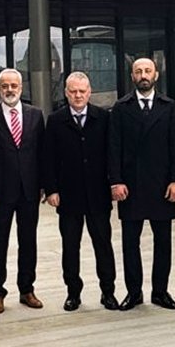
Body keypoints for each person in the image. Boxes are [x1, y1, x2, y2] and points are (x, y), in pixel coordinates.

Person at [108, 57, 175, 311]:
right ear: (132, 76)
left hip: (162, 186)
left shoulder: (169, 107)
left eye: (147, 71)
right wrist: (116, 181)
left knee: (163, 242)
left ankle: (160, 292)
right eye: (138, 71)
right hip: (131, 186)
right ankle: (134, 292)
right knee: (131, 243)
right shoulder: (121, 107)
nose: (143, 75)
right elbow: (114, 148)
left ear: (156, 75)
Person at [41, 72, 119, 311]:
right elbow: (48, 158)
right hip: (68, 194)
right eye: (73, 91)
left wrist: (115, 183)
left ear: (89, 92)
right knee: (70, 247)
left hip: (98, 193)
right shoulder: (56, 120)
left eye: (82, 91)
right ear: (66, 93)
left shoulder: (103, 118)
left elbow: (112, 153)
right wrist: (51, 189)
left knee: (103, 245)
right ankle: (73, 293)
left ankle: (108, 292)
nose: (77, 96)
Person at [0, 68, 46, 313]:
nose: (9, 90)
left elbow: (42, 153)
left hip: (29, 190)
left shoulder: (35, 115)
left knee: (28, 241)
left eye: (14, 86)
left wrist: (44, 185)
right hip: (0, 193)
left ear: (21, 88)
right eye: (5, 86)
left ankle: (27, 289)